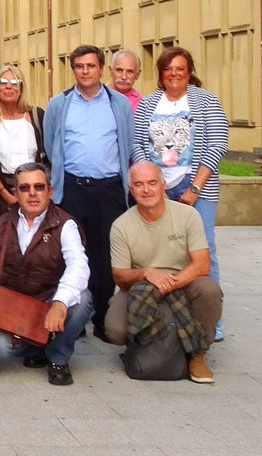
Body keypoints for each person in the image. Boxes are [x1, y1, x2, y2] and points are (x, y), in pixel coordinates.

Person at [131, 47, 229, 341]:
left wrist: (194, 189)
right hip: (159, 190)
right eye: (168, 69)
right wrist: (152, 185)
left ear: (189, 72)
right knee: (163, 252)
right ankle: (168, 311)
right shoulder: (148, 104)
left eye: (181, 69)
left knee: (203, 250)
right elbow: (137, 144)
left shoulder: (206, 101)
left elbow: (218, 143)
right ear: (160, 73)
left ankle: (212, 320)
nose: (174, 74)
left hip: (196, 187)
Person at [0, 162, 93, 386]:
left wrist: (60, 303)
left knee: (83, 299)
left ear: (50, 191)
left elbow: (78, 266)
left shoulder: (65, 225)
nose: (33, 193)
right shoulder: (3, 223)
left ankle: (58, 357)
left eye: (39, 187)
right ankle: (37, 347)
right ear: (15, 193)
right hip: (15, 306)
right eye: (25, 188)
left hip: (49, 300)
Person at [44, 44, 134, 342]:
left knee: (104, 255)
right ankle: (75, 317)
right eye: (79, 66)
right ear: (73, 70)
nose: (85, 71)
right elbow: (50, 143)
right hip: (72, 188)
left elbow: (128, 143)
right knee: (71, 252)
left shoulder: (118, 103)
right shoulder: (60, 103)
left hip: (109, 189)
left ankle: (102, 319)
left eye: (91, 66)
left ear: (101, 69)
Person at [105, 163, 222, 383]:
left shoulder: (188, 215)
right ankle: (145, 343)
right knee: (115, 330)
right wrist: (146, 273)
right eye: (138, 185)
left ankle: (198, 353)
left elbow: (202, 265)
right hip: (141, 285)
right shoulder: (121, 225)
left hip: (182, 279)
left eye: (152, 183)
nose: (146, 190)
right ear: (131, 190)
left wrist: (168, 283)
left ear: (163, 185)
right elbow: (119, 275)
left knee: (209, 290)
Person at [0, 64, 46, 218]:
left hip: (35, 190)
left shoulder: (37, 115)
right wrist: (5, 194)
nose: (9, 87)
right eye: (3, 82)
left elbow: (48, 156)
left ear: (21, 88)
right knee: (5, 240)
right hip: (3, 192)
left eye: (15, 82)